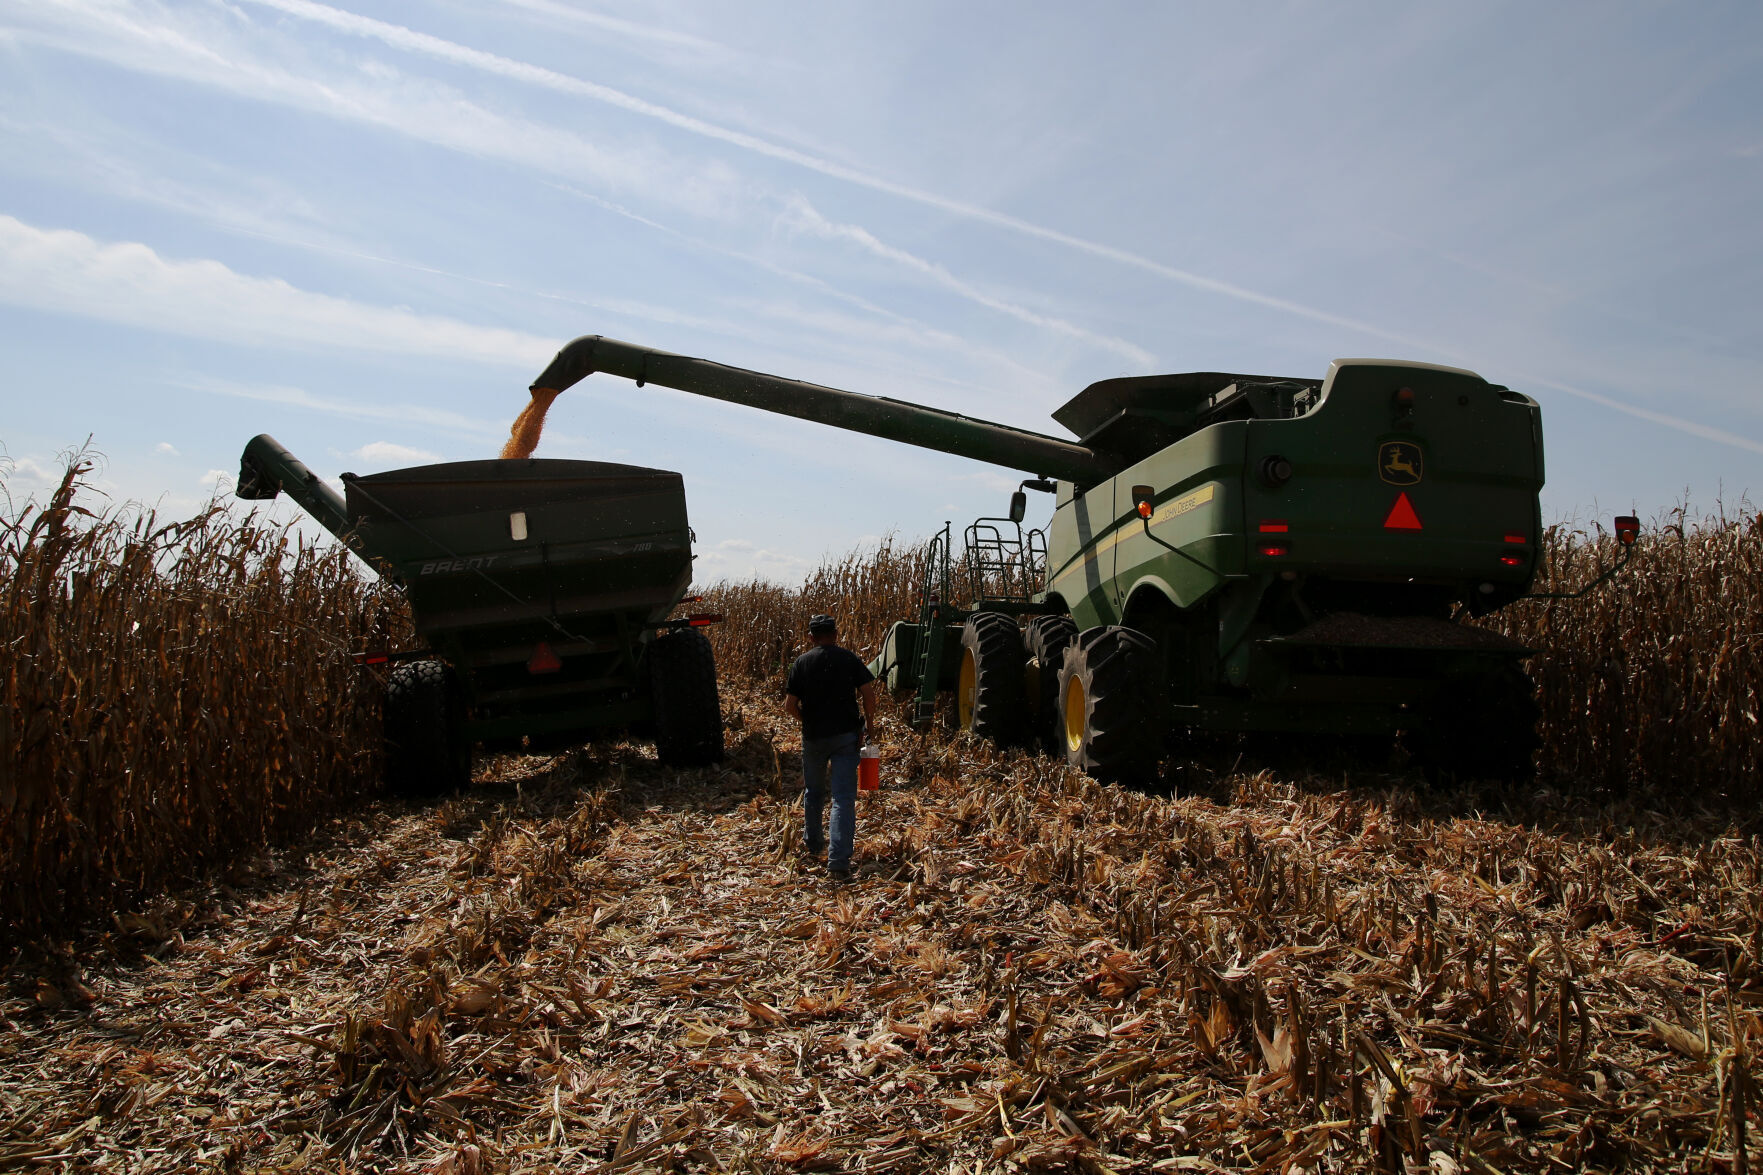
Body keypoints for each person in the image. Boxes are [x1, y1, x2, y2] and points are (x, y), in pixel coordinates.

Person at [784, 614, 878, 880]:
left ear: (811, 637)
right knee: (843, 798)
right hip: (846, 737)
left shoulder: (802, 663)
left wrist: (807, 721)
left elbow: (789, 706)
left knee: (813, 792)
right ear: (836, 634)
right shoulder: (848, 659)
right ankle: (838, 862)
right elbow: (869, 694)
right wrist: (870, 726)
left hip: (814, 738)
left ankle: (813, 845)